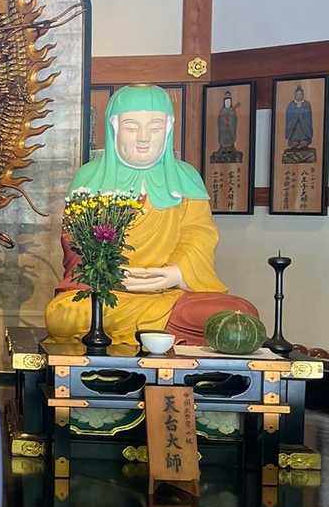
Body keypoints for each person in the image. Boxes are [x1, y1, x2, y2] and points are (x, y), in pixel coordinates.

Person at [45, 84, 260, 346]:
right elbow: (74, 243)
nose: (144, 138)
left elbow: (199, 234)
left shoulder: (186, 177)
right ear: (114, 128)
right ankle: (158, 330)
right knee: (64, 315)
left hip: (170, 293)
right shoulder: (90, 177)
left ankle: (147, 327)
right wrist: (110, 274)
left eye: (155, 127)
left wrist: (177, 273)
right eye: (132, 127)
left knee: (240, 311)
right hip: (107, 294)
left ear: (169, 129)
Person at [283, 84, 316, 164]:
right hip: (293, 131)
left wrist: (300, 116)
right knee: (294, 144)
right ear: (294, 95)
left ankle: (303, 142)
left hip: (304, 130)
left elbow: (308, 118)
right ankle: (294, 142)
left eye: (300, 94)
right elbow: (289, 119)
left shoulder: (306, 104)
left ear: (303, 95)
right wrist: (296, 117)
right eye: (297, 94)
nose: (299, 96)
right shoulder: (291, 105)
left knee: (304, 143)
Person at [210, 89, 241, 165]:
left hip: (230, 128)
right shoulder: (222, 111)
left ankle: (230, 146)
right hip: (223, 128)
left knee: (231, 132)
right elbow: (220, 121)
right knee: (223, 133)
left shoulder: (232, 111)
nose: (227, 103)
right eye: (226, 101)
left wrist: (230, 120)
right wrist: (224, 120)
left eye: (229, 101)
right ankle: (223, 147)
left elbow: (234, 121)